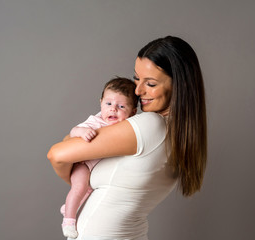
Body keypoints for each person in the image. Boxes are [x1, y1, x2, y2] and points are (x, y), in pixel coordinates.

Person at [48, 36, 207, 240]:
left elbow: (57, 154)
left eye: (150, 83)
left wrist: (80, 184)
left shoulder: (150, 125)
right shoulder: (177, 132)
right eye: (136, 79)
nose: (138, 91)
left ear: (179, 85)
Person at [61, 77, 138, 238]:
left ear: (133, 111)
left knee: (89, 191)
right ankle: (68, 220)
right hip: (84, 164)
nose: (113, 110)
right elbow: (73, 131)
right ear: (101, 102)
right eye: (108, 104)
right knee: (80, 188)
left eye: (121, 106)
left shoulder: (128, 127)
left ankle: (70, 206)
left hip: (99, 168)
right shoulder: (96, 121)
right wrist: (82, 132)